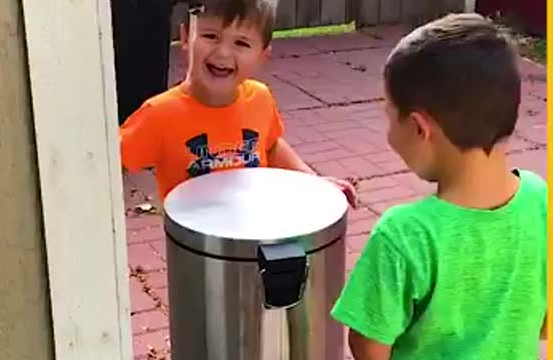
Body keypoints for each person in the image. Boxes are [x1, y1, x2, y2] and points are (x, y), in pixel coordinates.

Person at [331, 13, 547, 360]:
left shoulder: (403, 235)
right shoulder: (540, 199)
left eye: (389, 116)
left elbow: (368, 348)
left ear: (419, 128)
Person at [119, 0, 357, 205]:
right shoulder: (159, 114)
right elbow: (105, 164)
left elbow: (271, 145)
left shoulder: (260, 98)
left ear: (263, 55)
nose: (223, 53)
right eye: (210, 36)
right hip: (195, 252)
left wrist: (312, 180)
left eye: (241, 43)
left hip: (254, 238)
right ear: (185, 37)